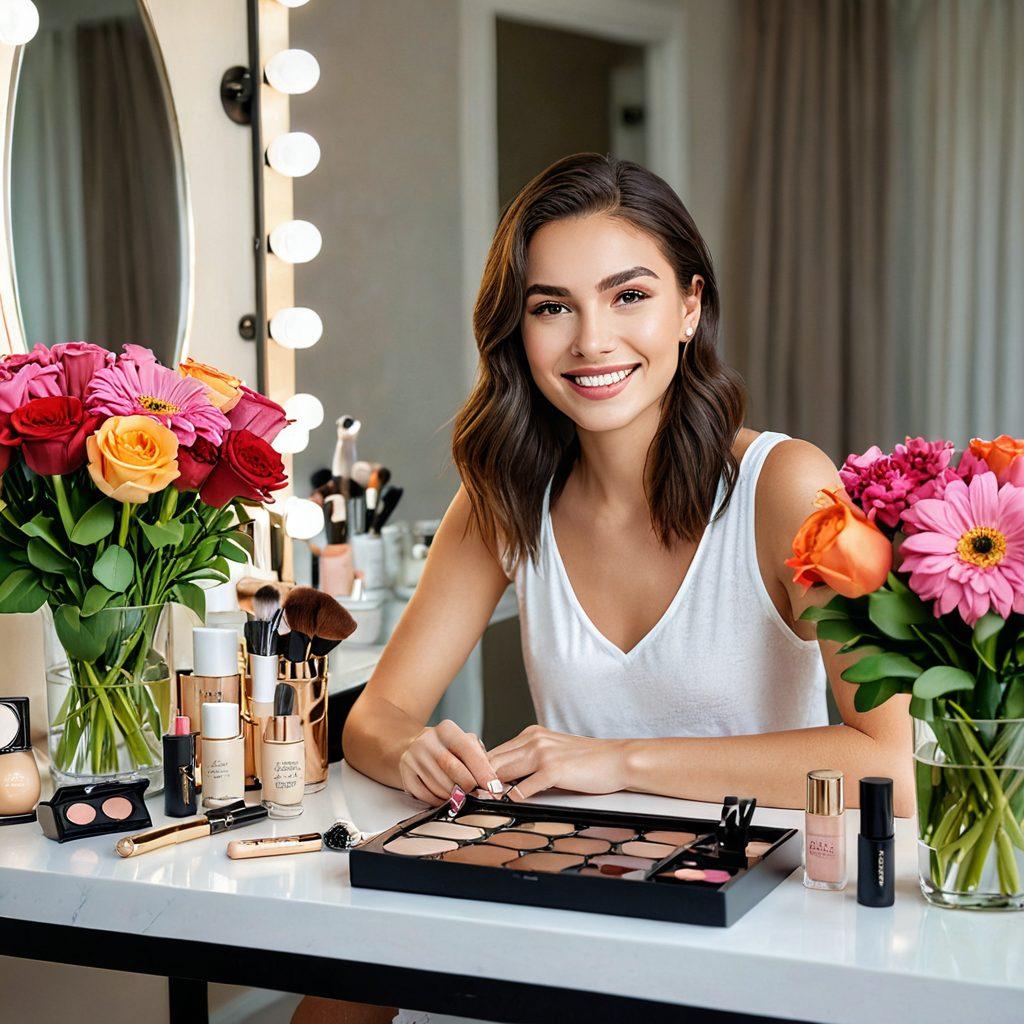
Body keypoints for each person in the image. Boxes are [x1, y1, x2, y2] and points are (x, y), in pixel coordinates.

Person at [291, 153, 912, 1024]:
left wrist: (619, 759)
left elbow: (891, 761)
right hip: (580, 882)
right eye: (552, 307)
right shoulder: (505, 496)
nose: (591, 341)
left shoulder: (785, 487)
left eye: (629, 296)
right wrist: (415, 753)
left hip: (761, 904)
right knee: (344, 980)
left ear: (690, 306)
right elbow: (375, 718)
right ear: (519, 330)